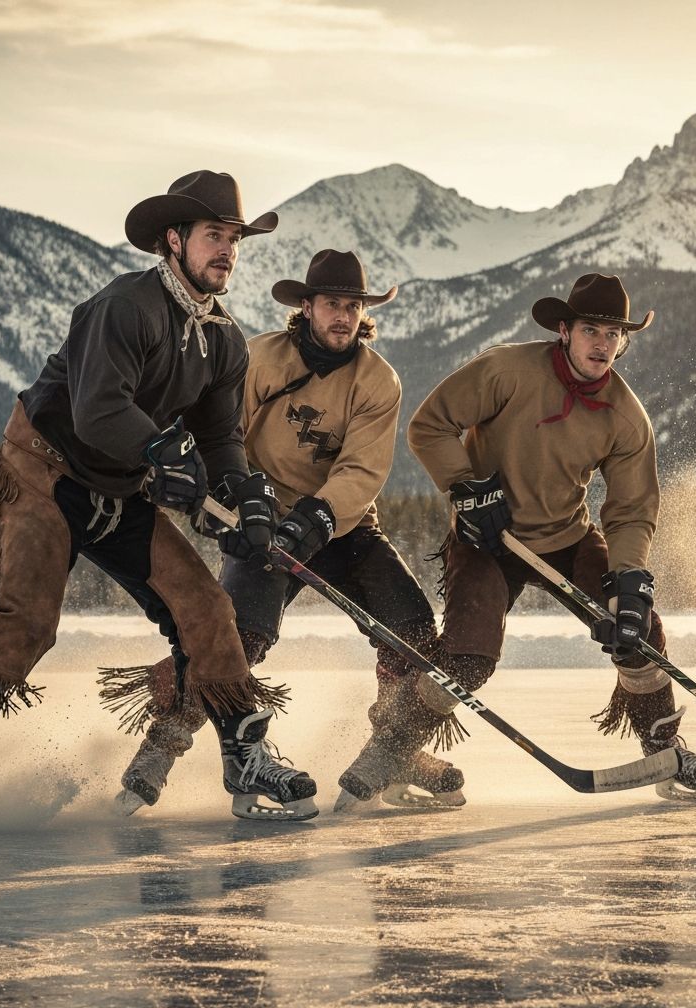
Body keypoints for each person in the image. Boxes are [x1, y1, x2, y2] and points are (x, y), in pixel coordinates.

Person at [0, 170, 318, 832]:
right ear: (173, 240)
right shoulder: (124, 308)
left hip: (120, 489)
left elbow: (220, 435)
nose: (226, 251)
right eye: (212, 236)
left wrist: (239, 492)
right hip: (44, 476)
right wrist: (164, 456)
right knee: (27, 623)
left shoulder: (223, 338)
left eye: (233, 239)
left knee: (205, 607)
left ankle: (246, 755)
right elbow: (98, 409)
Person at [101, 250, 466, 815]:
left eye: (352, 306)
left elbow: (361, 470)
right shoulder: (258, 359)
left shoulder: (377, 380)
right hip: (261, 518)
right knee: (239, 637)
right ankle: (160, 750)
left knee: (411, 626)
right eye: (331, 304)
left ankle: (396, 751)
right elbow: (225, 435)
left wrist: (318, 516)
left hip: (342, 525)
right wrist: (240, 501)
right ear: (307, 306)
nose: (342, 316)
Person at [406, 273, 696, 802]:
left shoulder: (626, 416)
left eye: (613, 334)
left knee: (637, 631)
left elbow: (631, 510)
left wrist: (629, 580)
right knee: (467, 656)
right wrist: (468, 490)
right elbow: (429, 425)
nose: (602, 344)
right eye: (591, 330)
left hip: (567, 536)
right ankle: (392, 746)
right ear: (564, 330)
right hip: (488, 536)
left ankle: (663, 747)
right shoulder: (506, 370)